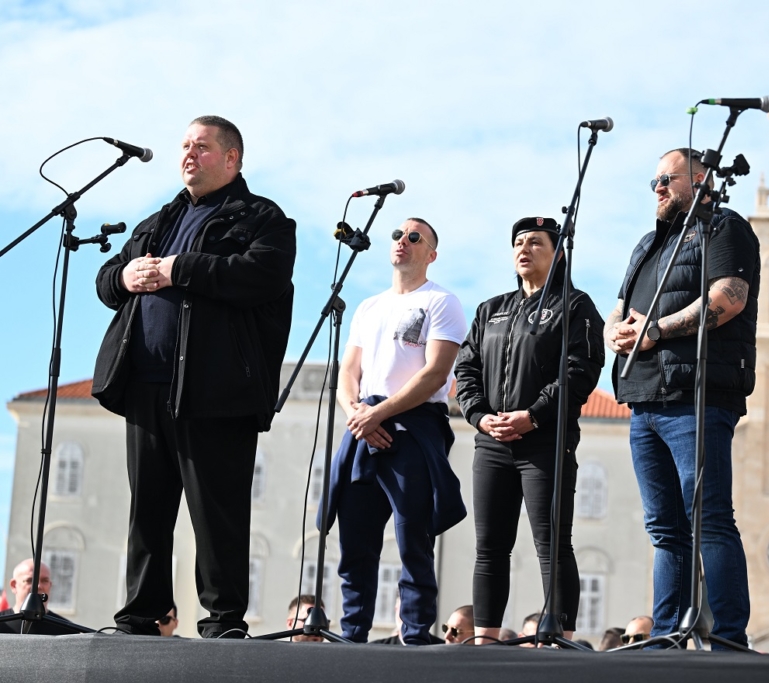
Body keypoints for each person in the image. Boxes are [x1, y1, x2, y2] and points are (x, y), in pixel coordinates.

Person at [92, 116, 295, 638]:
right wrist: (124, 276)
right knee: (147, 510)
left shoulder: (265, 219)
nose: (188, 154)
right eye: (184, 145)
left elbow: (261, 276)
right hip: (145, 383)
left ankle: (223, 621)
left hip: (217, 388)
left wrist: (179, 269)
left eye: (201, 146)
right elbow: (107, 281)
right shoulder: (159, 220)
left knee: (217, 511)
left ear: (231, 158)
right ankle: (141, 614)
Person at [604, 148, 759, 647]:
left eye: (666, 179)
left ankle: (729, 639)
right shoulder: (648, 243)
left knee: (709, 518)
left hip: (697, 396)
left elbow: (729, 297)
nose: (657, 188)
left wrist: (655, 330)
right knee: (664, 529)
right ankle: (666, 635)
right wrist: (614, 331)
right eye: (653, 181)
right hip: (643, 399)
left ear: (701, 179)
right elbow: (620, 307)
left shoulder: (725, 227)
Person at [456, 216, 604, 645]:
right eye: (518, 242)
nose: (524, 249)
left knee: (552, 544)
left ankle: (559, 638)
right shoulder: (490, 310)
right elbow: (466, 369)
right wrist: (480, 416)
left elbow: (580, 371)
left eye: (536, 242)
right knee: (490, 547)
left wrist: (533, 414)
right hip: (492, 443)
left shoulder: (575, 306)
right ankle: (485, 640)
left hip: (545, 441)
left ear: (557, 253)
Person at [322, 218, 467, 645]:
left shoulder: (442, 302)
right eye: (398, 235)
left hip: (412, 428)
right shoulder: (369, 307)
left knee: (413, 540)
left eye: (414, 237)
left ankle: (416, 635)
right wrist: (357, 415)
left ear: (431, 254)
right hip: (364, 426)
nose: (403, 241)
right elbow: (347, 373)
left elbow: (435, 373)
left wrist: (378, 414)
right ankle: (352, 635)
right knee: (355, 542)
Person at [0, 559, 76, 634]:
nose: (38, 586)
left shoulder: (67, 631)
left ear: (50, 585)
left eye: (44, 580)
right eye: (30, 580)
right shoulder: (2, 623)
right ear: (14, 585)